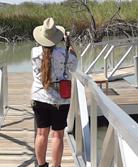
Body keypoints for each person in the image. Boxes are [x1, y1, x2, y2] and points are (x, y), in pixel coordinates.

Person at [30, 18, 78, 167]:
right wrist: (69, 45)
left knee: (41, 133)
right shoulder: (63, 53)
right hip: (59, 99)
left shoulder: (34, 52)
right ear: (57, 38)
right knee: (57, 134)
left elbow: (47, 55)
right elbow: (74, 66)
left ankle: (41, 164)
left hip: (38, 97)